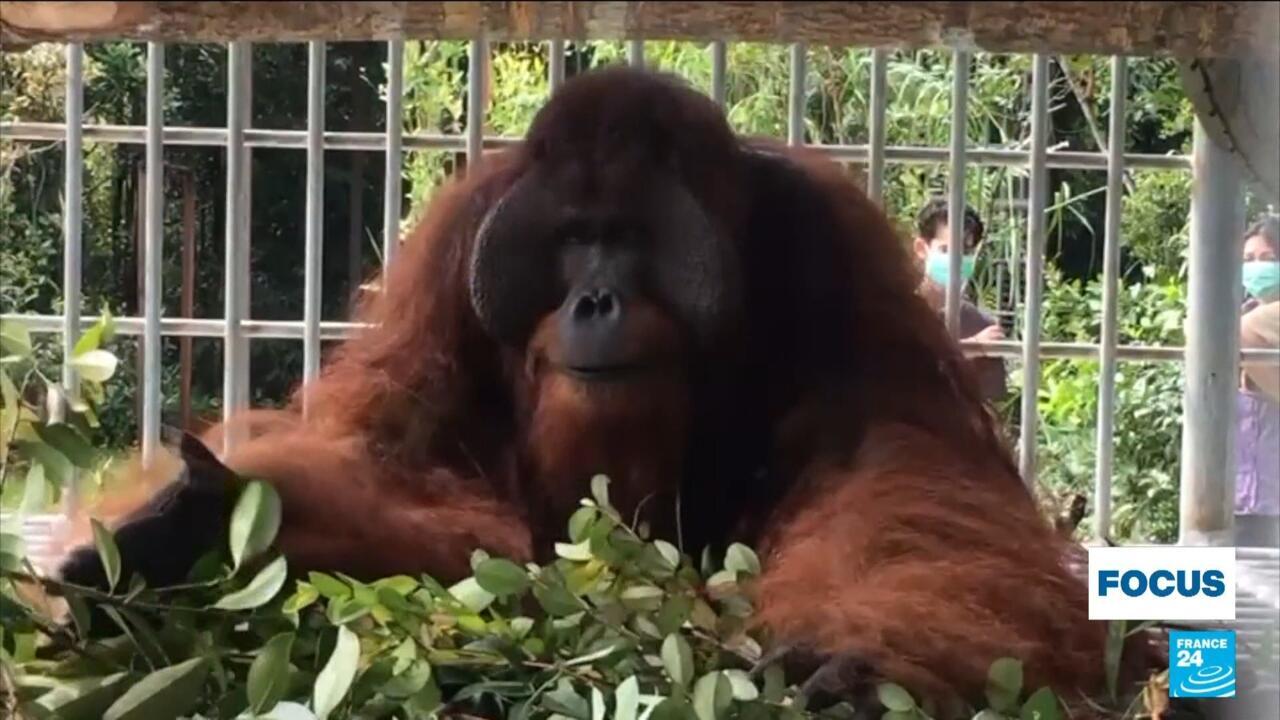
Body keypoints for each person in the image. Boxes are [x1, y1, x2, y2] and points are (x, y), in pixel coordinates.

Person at [911, 197, 1008, 404]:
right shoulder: (898, 312)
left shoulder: (979, 325)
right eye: (946, 250)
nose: (957, 260)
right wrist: (969, 348)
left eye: (966, 251)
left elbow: (990, 410)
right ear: (922, 249)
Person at [1234, 215, 1280, 547]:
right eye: (1248, 260)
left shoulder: (1245, 326)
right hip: (1237, 491)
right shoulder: (1243, 315)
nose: (1256, 268)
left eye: (1268, 259)